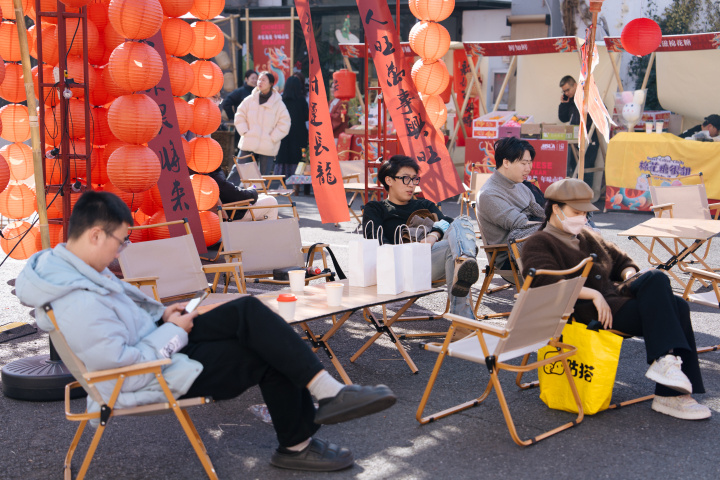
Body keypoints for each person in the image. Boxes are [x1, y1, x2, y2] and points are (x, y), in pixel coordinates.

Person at [16, 191, 397, 472]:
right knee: (264, 351)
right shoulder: (74, 298)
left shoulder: (68, 267)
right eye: (121, 240)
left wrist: (164, 315)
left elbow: (124, 317)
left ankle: (326, 394)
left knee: (248, 311)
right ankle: (299, 441)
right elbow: (118, 364)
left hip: (159, 340)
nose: (123, 249)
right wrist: (176, 332)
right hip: (146, 374)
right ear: (96, 235)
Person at [520, 178, 710, 420]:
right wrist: (593, 294)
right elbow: (542, 284)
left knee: (658, 282)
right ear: (556, 209)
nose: (583, 218)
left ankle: (664, 365)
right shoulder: (539, 243)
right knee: (677, 306)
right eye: (576, 212)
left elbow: (622, 261)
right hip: (585, 312)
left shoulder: (585, 235)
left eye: (585, 213)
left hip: (614, 300)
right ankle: (670, 394)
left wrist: (630, 275)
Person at [362, 155, 479, 320]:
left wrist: (433, 236)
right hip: (397, 267)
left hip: (430, 261)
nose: (411, 184)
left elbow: (448, 222)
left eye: (414, 179)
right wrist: (412, 249)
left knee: (462, 221)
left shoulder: (424, 205)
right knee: (455, 251)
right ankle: (464, 320)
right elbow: (375, 240)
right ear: (388, 180)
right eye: (405, 179)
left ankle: (464, 261)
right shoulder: (375, 208)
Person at [476, 137, 545, 279]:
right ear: (506, 162)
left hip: (532, 246)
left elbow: (540, 212)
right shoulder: (489, 194)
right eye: (523, 163)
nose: (529, 168)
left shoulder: (520, 185)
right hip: (512, 258)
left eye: (530, 163)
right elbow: (521, 224)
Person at [229, 71, 291, 179]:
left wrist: (272, 138)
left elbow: (285, 123)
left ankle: (260, 195)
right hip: (249, 140)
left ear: (271, 83)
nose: (260, 82)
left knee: (264, 176)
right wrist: (245, 132)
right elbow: (240, 116)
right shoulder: (249, 100)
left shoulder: (278, 103)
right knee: (238, 170)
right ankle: (226, 194)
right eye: (259, 79)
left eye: (263, 80)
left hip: (268, 145)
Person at [558, 75, 599, 181]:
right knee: (573, 164)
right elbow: (563, 118)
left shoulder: (588, 95)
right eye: (564, 91)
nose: (566, 93)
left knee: (587, 166)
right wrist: (563, 104)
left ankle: (587, 194)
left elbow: (602, 110)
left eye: (568, 90)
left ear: (575, 85)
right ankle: (576, 192)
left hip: (589, 137)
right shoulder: (570, 101)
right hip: (574, 138)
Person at [207, 167, 279, 221]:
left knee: (264, 196)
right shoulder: (215, 178)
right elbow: (238, 195)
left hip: (218, 214)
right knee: (271, 201)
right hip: (233, 214)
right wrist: (252, 191)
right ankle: (269, 235)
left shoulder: (200, 177)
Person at [276, 75, 309, 178]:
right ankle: (297, 176)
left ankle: (282, 176)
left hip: (283, 131)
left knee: (283, 152)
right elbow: (306, 116)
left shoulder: (281, 100)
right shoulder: (302, 100)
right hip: (299, 131)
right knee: (297, 154)